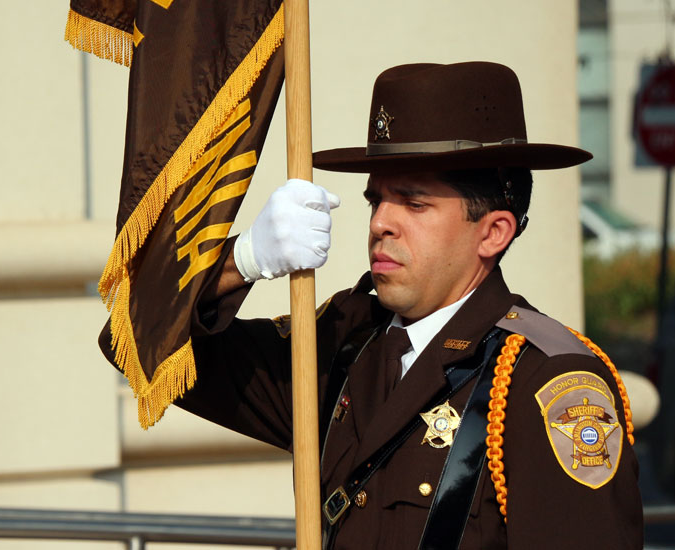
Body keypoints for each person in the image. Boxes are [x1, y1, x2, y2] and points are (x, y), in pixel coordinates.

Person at [176, 62, 643, 549]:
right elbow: (142, 348)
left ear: (493, 232)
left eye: (414, 203)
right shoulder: (344, 344)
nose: (381, 222)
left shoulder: (546, 379)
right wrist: (241, 260)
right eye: (375, 200)